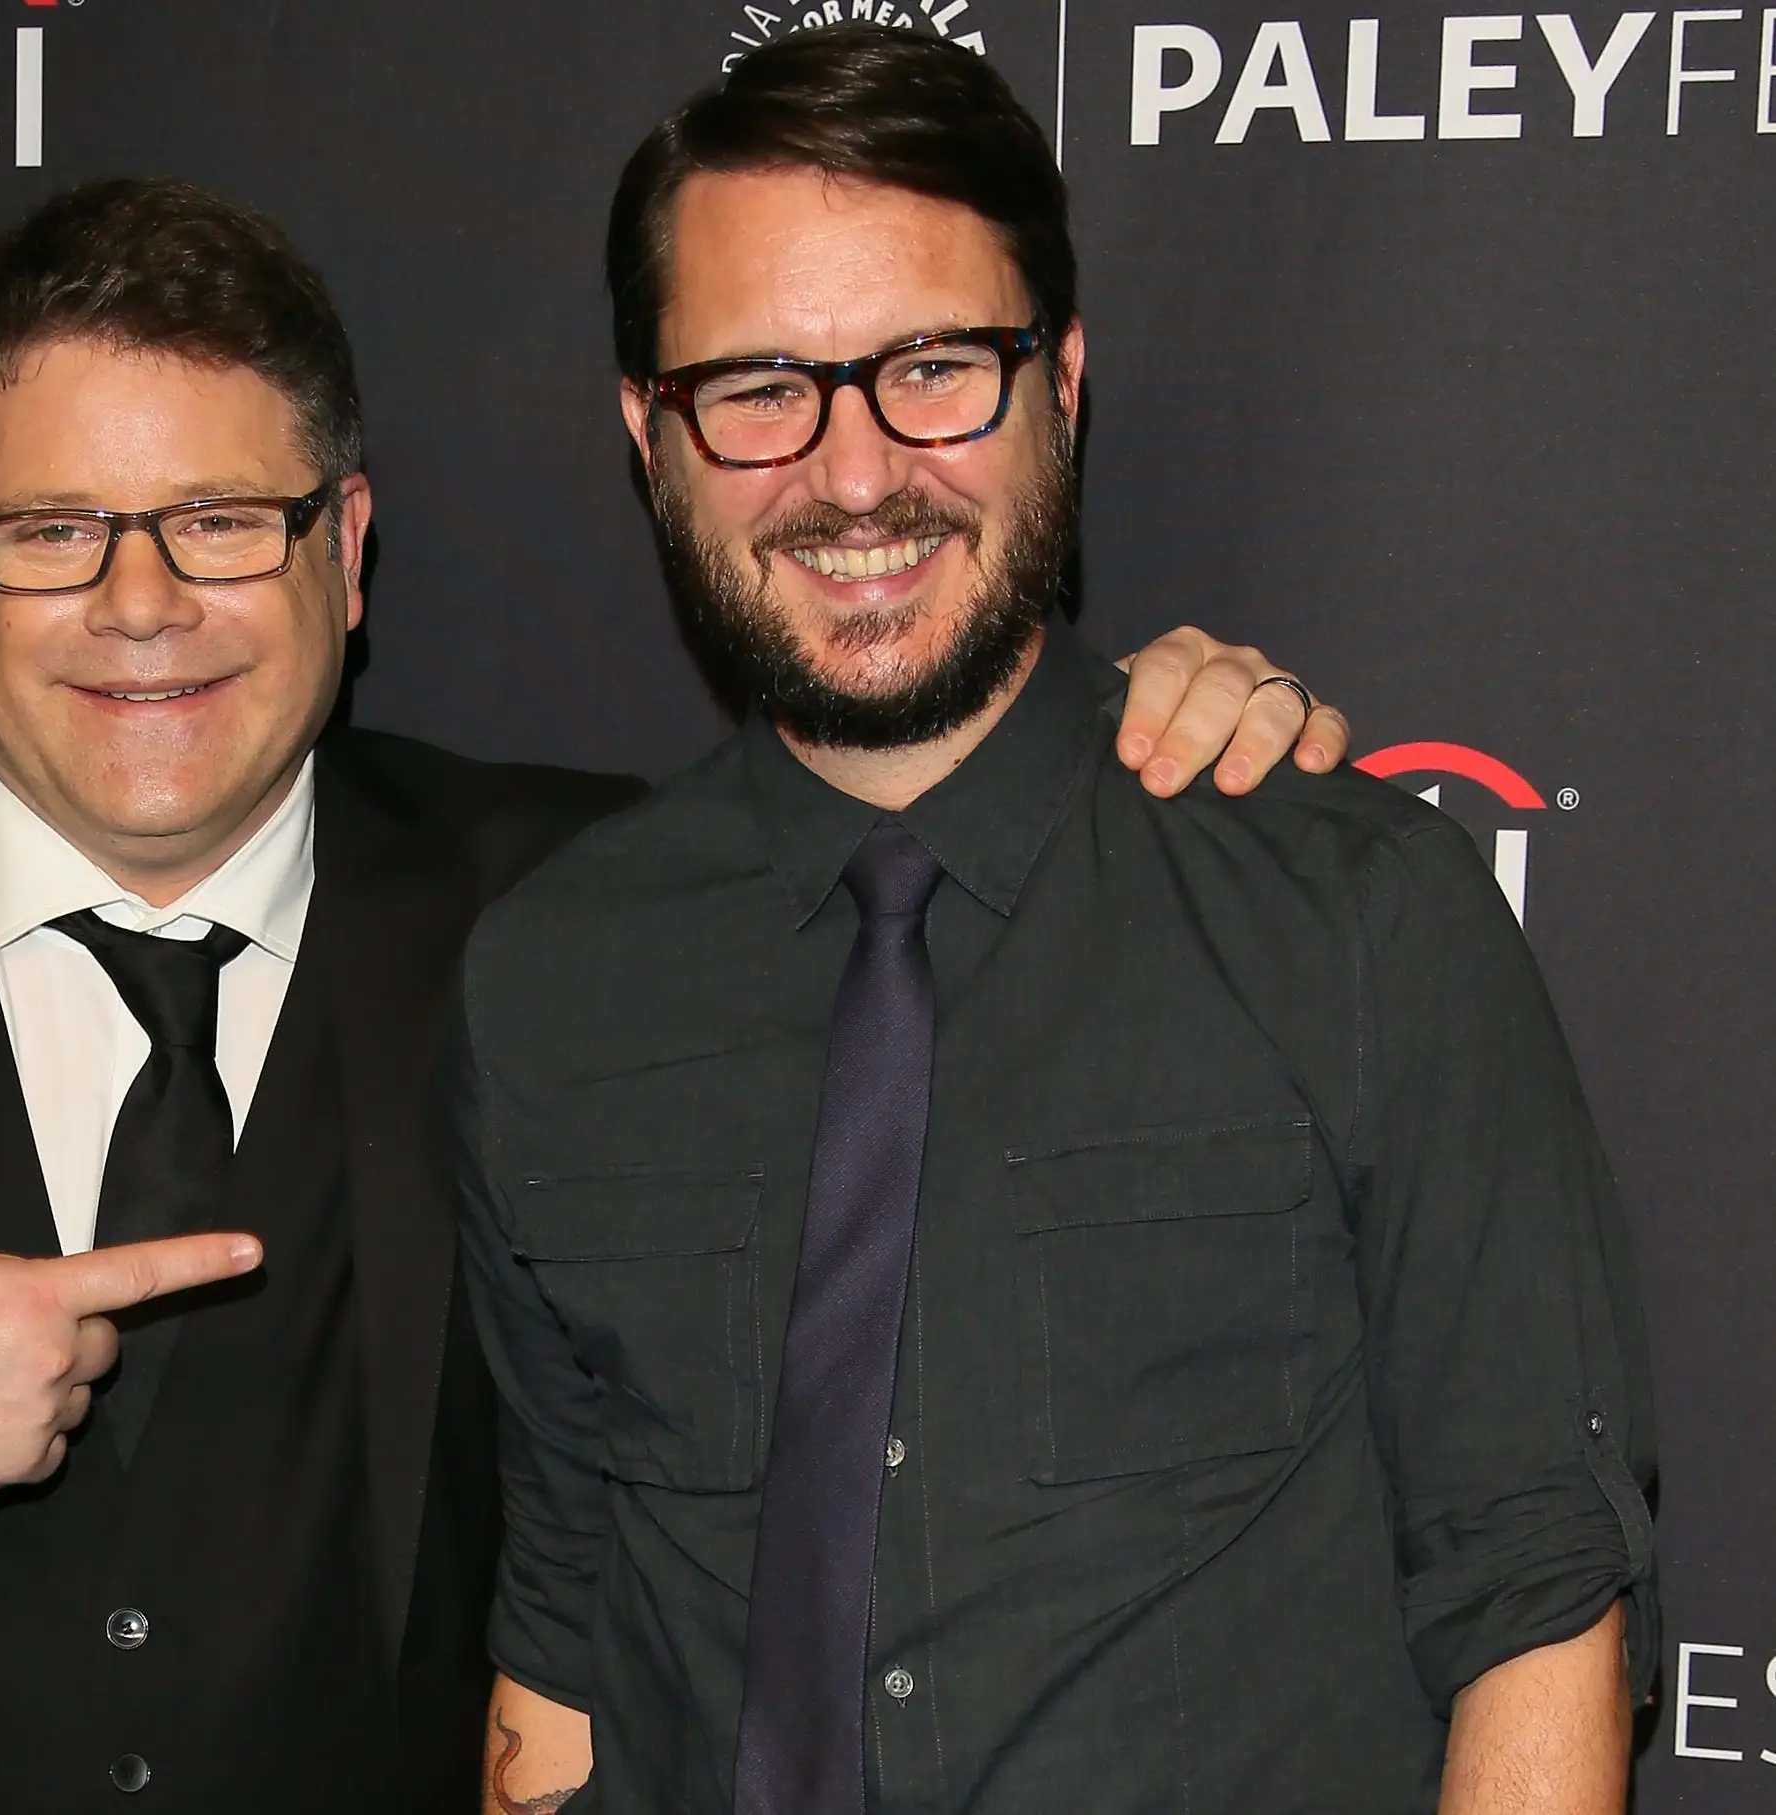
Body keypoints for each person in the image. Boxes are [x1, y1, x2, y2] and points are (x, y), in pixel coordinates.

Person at [0, 177, 1342, 1815]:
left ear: (348, 548)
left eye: (224, 522)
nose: (142, 605)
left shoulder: (601, 912)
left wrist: (1141, 744)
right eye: (56, 534)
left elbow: (951, 894)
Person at [457, 29, 1656, 1815]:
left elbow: (1537, 1602)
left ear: (1064, 383)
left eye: (936, 368)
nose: (856, 475)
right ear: (650, 432)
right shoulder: (547, 979)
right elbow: (561, 1631)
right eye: (759, 387)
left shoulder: (1354, 917)